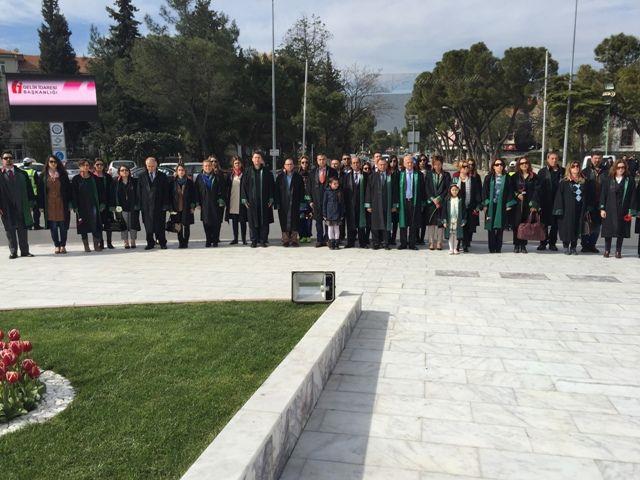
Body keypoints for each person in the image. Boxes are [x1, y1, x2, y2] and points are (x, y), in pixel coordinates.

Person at [0, 151, 35, 258]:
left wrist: (31, 204)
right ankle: (13, 252)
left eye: (10, 158)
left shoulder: (22, 174)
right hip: (6, 207)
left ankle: (25, 251)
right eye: (6, 158)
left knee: (22, 229)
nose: (8, 160)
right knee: (10, 230)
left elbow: (29, 190)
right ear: (2, 160)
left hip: (21, 206)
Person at [599, 159, 637, 258]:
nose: (621, 169)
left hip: (623, 209)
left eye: (623, 167)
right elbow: (603, 194)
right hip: (609, 208)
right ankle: (607, 250)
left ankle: (618, 251)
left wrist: (631, 211)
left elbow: (633, 197)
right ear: (615, 168)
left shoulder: (630, 181)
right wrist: (602, 208)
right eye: (619, 167)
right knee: (608, 231)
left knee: (621, 230)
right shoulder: (608, 179)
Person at [553, 161, 592, 255]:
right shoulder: (564, 182)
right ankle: (566, 246)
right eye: (573, 166)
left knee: (577, 227)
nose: (575, 168)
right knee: (567, 227)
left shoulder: (584, 181)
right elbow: (559, 196)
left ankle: (573, 247)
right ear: (569, 168)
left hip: (580, 208)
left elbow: (588, 196)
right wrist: (559, 209)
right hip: (567, 209)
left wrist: (588, 208)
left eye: (577, 166)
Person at [38, 155, 71, 254]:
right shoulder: (43, 176)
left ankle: (63, 245)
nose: (53, 163)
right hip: (50, 204)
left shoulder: (63, 175)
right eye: (51, 161)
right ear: (47, 163)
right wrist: (41, 206)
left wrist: (70, 203)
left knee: (63, 226)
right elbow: (40, 192)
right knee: (53, 226)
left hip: (62, 203)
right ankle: (56, 245)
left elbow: (69, 190)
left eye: (55, 162)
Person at [242, 151, 275, 248]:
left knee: (264, 221)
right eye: (255, 157)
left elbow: (271, 186)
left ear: (261, 160)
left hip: (264, 201)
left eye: (259, 157)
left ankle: (263, 240)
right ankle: (254, 240)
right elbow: (243, 186)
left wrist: (271, 198)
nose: (257, 159)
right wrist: (244, 199)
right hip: (251, 202)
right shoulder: (247, 171)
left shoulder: (266, 172)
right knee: (252, 222)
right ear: (252, 159)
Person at [482, 159, 516, 253]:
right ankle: (491, 247)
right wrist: (485, 203)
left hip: (502, 205)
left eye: (501, 164)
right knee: (491, 227)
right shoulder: (489, 177)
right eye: (497, 165)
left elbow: (510, 191)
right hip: (491, 205)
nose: (499, 166)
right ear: (493, 166)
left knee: (500, 227)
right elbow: (484, 191)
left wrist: (509, 204)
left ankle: (498, 247)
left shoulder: (507, 177)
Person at [71, 159, 104, 253]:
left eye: (87, 165)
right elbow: (73, 193)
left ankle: (96, 245)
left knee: (95, 225)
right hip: (81, 206)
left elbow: (101, 192)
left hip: (93, 205)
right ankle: (86, 246)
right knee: (83, 225)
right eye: (83, 165)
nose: (86, 167)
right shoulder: (76, 179)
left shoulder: (94, 178)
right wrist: (75, 206)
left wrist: (102, 203)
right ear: (80, 167)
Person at [365, 156, 398, 250]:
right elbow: (368, 191)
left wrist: (394, 205)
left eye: (384, 164)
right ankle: (376, 242)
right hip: (375, 203)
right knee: (375, 224)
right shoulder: (372, 176)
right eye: (380, 165)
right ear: (377, 165)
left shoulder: (391, 176)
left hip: (387, 204)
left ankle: (385, 243)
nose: (382, 166)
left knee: (386, 224)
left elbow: (395, 191)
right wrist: (368, 205)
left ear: (387, 165)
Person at [138, 157, 170, 250]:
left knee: (160, 225)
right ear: (146, 166)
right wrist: (140, 204)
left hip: (159, 205)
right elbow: (139, 191)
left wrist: (166, 204)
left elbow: (166, 191)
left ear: (156, 165)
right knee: (148, 225)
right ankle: (150, 243)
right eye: (149, 166)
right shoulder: (141, 176)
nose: (151, 168)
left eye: (152, 166)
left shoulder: (162, 176)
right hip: (146, 205)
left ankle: (162, 242)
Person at [451, 160, 482, 252]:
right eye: (464, 167)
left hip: (469, 206)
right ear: (460, 168)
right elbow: (451, 191)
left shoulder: (472, 179)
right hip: (457, 206)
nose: (466, 168)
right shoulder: (455, 179)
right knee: (458, 226)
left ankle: (465, 245)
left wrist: (478, 205)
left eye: (467, 166)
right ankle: (457, 244)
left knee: (468, 226)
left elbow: (477, 193)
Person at [537, 151, 565, 251]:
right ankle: (543, 242)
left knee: (555, 224)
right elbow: (538, 188)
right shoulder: (542, 172)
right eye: (552, 158)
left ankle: (552, 243)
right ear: (547, 159)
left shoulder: (563, 171)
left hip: (558, 201)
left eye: (556, 158)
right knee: (543, 224)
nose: (554, 160)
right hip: (545, 201)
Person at [307, 154, 338, 247]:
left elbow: (336, 186)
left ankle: (328, 239)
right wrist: (309, 201)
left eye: (323, 159)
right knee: (318, 221)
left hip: (329, 201)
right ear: (317, 160)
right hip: (316, 201)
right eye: (320, 159)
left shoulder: (332, 171)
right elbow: (308, 189)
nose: (321, 161)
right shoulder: (312, 172)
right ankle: (319, 239)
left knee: (328, 221)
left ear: (326, 160)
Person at [510, 156, 539, 254]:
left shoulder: (534, 177)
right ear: (519, 165)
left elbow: (537, 191)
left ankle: (523, 245)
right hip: (517, 204)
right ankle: (516, 244)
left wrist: (533, 204)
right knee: (516, 225)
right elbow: (511, 189)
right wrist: (517, 195)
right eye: (522, 163)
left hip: (528, 204)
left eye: (526, 163)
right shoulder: (514, 176)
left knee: (526, 224)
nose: (524, 165)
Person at [195, 157, 226, 248]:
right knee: (206, 222)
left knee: (216, 222)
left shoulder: (217, 176)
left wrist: (221, 199)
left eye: (209, 166)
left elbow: (223, 189)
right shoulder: (199, 177)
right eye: (206, 166)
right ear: (203, 167)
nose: (207, 167)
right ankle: (208, 240)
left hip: (216, 203)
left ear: (212, 166)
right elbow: (196, 191)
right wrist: (197, 203)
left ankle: (215, 240)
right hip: (204, 203)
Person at [275, 158, 305, 247]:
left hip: (295, 202)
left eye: (291, 164)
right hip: (283, 202)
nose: (289, 166)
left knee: (295, 220)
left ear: (293, 165)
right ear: (284, 166)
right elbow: (276, 191)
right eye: (287, 164)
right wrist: (277, 202)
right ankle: (286, 240)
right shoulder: (280, 177)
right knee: (284, 220)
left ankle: (294, 239)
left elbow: (302, 191)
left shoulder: (298, 177)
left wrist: (302, 202)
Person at [397, 154, 424, 250]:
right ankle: (403, 243)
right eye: (407, 162)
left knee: (413, 223)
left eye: (411, 162)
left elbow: (422, 190)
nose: (409, 164)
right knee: (403, 223)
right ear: (404, 164)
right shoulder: (400, 174)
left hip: (414, 201)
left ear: (414, 163)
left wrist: (422, 203)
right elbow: (396, 190)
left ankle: (412, 243)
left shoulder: (419, 175)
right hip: (403, 201)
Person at [581, 152, 607, 253]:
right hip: (588, 202)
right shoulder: (585, 172)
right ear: (591, 159)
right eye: (595, 158)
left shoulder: (606, 172)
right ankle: (584, 245)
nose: (597, 160)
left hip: (600, 202)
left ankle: (592, 245)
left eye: (599, 158)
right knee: (586, 224)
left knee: (597, 226)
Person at [425, 155, 451, 250]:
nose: (437, 166)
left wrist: (439, 198)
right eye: (435, 164)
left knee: (440, 222)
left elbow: (448, 188)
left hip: (441, 202)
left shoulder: (446, 175)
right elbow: (426, 188)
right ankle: (431, 242)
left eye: (439, 164)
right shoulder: (429, 174)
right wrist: (433, 199)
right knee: (431, 223)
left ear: (442, 164)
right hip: (431, 202)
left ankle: (439, 242)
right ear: (433, 165)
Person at [112, 164, 140, 249]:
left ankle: (133, 241)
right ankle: (125, 241)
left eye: (126, 170)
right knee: (123, 224)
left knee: (133, 224)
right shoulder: (115, 182)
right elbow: (112, 194)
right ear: (119, 172)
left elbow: (138, 194)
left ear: (129, 172)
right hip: (121, 207)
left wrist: (138, 204)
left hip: (133, 206)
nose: (124, 172)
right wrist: (114, 205)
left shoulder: (134, 181)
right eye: (122, 170)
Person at [342, 156, 368, 248]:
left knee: (361, 225)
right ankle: (350, 242)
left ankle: (362, 243)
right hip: (350, 204)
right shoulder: (346, 176)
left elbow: (368, 190)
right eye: (354, 163)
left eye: (357, 163)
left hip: (361, 204)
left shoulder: (366, 175)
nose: (355, 164)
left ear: (360, 164)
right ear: (351, 164)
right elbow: (344, 191)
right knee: (350, 224)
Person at [171, 164, 196, 249]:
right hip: (176, 207)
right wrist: (170, 208)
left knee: (186, 225)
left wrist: (192, 207)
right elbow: (170, 195)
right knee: (178, 225)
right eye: (179, 170)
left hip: (187, 207)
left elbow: (194, 196)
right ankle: (180, 242)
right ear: (176, 172)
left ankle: (186, 242)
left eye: (182, 170)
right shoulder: (173, 182)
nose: (181, 172)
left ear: (185, 171)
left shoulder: (189, 182)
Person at [93, 158, 115, 249]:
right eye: (97, 164)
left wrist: (111, 204)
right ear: (94, 165)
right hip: (96, 204)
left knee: (108, 224)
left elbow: (112, 191)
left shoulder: (108, 177)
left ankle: (109, 243)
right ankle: (101, 243)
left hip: (107, 204)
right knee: (98, 225)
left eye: (101, 164)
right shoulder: (92, 177)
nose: (99, 166)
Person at [225, 156, 247, 245]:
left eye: (238, 163)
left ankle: (244, 239)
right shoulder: (230, 175)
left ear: (241, 164)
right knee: (234, 221)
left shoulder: (245, 174)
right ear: (233, 164)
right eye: (235, 163)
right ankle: (235, 238)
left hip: (242, 201)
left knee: (243, 221)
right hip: (233, 200)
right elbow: (226, 188)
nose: (237, 164)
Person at [441, 183, 466, 255]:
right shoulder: (447, 199)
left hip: (458, 220)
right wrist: (444, 221)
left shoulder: (460, 199)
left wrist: (463, 220)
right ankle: (451, 249)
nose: (454, 191)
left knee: (456, 235)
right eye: (453, 190)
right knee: (450, 235)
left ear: (458, 191)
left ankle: (455, 248)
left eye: (456, 190)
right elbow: (444, 211)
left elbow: (464, 210)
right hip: (449, 220)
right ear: (450, 191)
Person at [323, 177, 344, 250]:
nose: (336, 185)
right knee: (330, 228)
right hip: (329, 213)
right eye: (334, 184)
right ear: (330, 184)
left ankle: (336, 243)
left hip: (337, 213)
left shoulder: (339, 192)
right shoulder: (327, 192)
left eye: (337, 183)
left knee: (337, 228)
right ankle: (331, 243)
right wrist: (324, 214)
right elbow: (324, 203)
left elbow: (342, 204)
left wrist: (342, 214)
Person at [21, 158, 42, 230]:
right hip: (34, 193)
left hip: (24, 194)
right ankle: (36, 225)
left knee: (26, 210)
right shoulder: (33, 172)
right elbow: (38, 183)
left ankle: (28, 225)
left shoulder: (21, 172)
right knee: (36, 211)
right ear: (30, 163)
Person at [297, 156, 313, 243]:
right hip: (300, 198)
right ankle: (302, 235)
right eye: (302, 162)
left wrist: (311, 200)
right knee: (301, 217)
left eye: (306, 162)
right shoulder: (297, 173)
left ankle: (308, 235)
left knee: (309, 217)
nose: (304, 164)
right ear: (300, 163)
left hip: (308, 197)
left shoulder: (311, 173)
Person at [388, 155, 400, 245]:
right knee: (388, 220)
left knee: (395, 221)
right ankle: (387, 237)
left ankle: (393, 238)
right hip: (387, 199)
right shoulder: (386, 172)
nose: (393, 163)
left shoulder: (399, 173)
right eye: (391, 161)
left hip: (396, 200)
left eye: (395, 161)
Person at [362, 161, 373, 243]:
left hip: (370, 202)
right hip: (361, 202)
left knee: (369, 222)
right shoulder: (361, 177)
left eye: (369, 168)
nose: (367, 170)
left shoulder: (372, 177)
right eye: (365, 168)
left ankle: (367, 238)